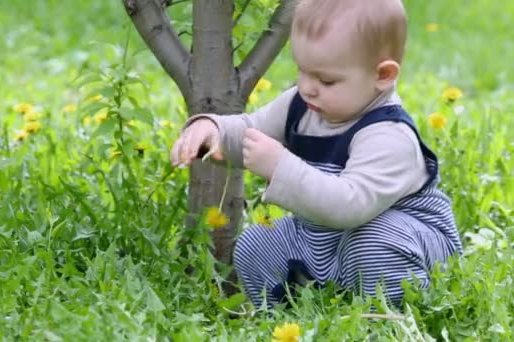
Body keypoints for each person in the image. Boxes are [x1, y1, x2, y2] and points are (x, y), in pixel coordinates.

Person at [169, 0, 462, 309]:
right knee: (255, 244)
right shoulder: (302, 104)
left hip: (402, 239)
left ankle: (383, 314)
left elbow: (348, 206)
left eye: (326, 80)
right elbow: (252, 129)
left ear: (383, 75)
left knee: (375, 244)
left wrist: (280, 166)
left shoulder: (388, 135)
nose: (307, 87)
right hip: (325, 236)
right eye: (301, 70)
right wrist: (212, 129)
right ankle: (287, 312)